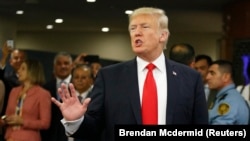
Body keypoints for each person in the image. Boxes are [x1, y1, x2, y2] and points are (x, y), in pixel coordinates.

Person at [51, 7, 208, 141]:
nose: (136, 33)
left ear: (163, 35)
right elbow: (94, 129)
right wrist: (76, 120)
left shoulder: (189, 78)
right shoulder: (109, 77)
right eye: (133, 28)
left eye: (144, 27)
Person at [1, 59, 51, 141]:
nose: (19, 71)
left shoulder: (43, 94)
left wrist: (23, 122)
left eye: (23, 69)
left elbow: (45, 123)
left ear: (32, 71)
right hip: (10, 137)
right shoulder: (14, 91)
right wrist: (4, 120)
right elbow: (7, 114)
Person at [41, 51, 74, 141]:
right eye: (59, 64)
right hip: (49, 135)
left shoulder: (78, 86)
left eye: (66, 63)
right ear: (54, 66)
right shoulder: (45, 87)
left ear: (72, 66)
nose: (63, 66)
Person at [206, 60, 249, 124]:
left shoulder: (230, 100)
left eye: (212, 73)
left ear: (226, 77)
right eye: (208, 73)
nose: (207, 77)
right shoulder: (223, 96)